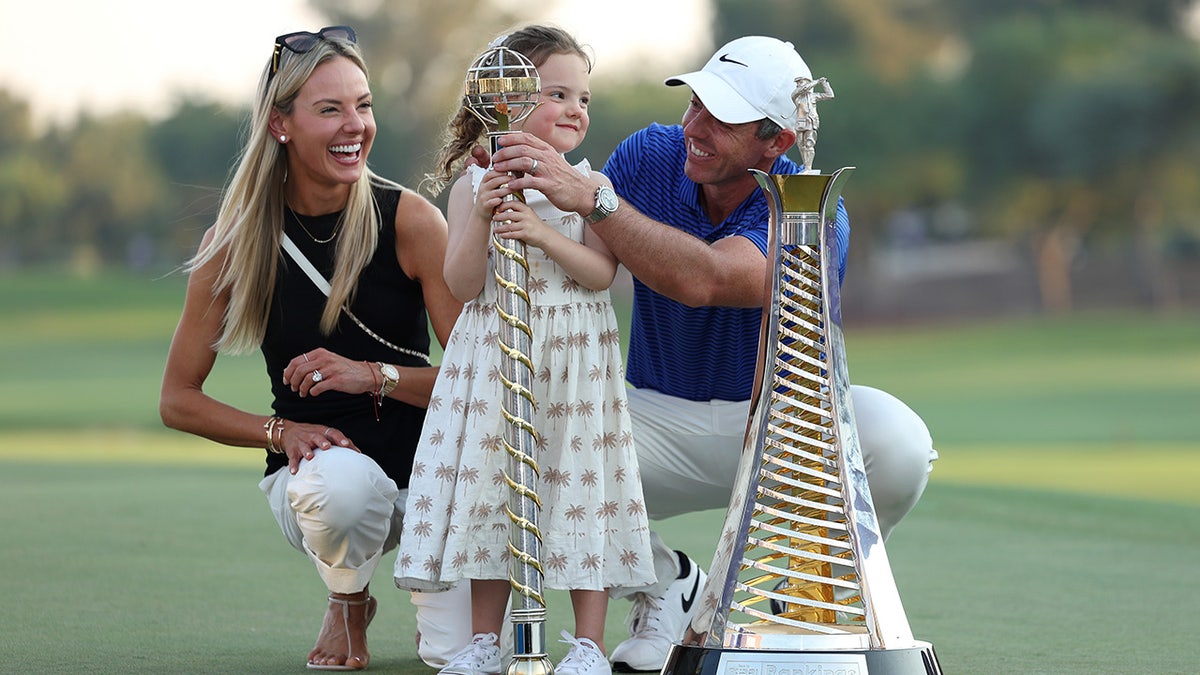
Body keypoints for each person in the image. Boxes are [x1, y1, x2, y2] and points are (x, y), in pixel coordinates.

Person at [480, 35, 940, 671]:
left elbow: (710, 280)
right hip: (649, 418)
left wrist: (594, 198)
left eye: (720, 119)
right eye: (694, 104)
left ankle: (807, 598)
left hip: (778, 431)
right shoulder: (647, 154)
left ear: (775, 142)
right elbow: (585, 260)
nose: (694, 126)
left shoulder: (812, 212)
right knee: (529, 436)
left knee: (899, 440)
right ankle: (665, 579)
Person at [158, 25, 464, 671]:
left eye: (363, 104)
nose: (354, 125)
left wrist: (374, 375)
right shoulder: (235, 240)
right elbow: (178, 400)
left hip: (436, 484)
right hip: (325, 487)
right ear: (281, 124)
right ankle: (347, 596)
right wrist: (283, 431)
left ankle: (431, 597)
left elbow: (479, 378)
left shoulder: (410, 218)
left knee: (457, 653)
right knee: (342, 489)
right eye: (330, 109)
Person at [393, 25, 655, 675]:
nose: (576, 109)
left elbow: (599, 274)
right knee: (498, 489)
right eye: (557, 93)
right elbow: (461, 283)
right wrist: (482, 214)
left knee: (578, 492)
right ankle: (487, 638)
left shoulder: (592, 184)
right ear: (503, 98)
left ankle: (588, 643)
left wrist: (540, 230)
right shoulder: (472, 186)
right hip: (497, 362)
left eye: (585, 98)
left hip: (572, 363)